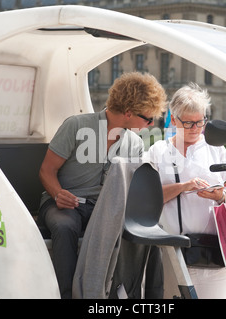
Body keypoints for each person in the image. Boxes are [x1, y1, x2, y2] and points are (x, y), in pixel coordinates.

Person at [38, 72, 167, 299]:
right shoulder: (76, 126)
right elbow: (46, 171)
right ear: (128, 112)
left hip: (105, 209)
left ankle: (148, 298)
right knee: (66, 227)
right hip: (63, 204)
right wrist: (58, 194)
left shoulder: (135, 143)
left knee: (150, 234)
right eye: (147, 119)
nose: (151, 124)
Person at [148, 83, 226, 299]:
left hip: (213, 252)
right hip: (172, 251)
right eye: (188, 123)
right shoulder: (158, 151)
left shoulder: (216, 149)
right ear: (173, 119)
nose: (196, 128)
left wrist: (221, 196)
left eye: (200, 121)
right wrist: (183, 187)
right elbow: (148, 199)